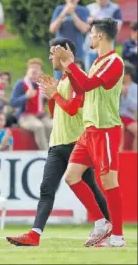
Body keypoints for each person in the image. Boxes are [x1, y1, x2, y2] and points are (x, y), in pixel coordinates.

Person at [6, 38, 110, 247]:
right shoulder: (63, 79)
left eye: (53, 53)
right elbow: (57, 113)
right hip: (58, 142)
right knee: (47, 188)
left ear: (65, 52)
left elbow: (72, 109)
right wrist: (52, 96)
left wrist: (55, 95)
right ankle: (35, 235)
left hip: (75, 142)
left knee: (89, 185)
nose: (50, 57)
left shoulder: (76, 78)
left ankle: (109, 228)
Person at [55, 18, 125, 247]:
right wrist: (68, 67)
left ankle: (117, 237)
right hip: (90, 128)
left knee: (109, 181)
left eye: (92, 33)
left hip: (105, 129)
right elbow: (80, 88)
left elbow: (86, 85)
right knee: (71, 177)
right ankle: (100, 223)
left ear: (101, 36)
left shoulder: (114, 62)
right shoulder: (97, 62)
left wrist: (71, 63)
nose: (90, 37)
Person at [10, 58, 52, 150]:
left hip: (41, 115)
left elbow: (53, 105)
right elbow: (13, 103)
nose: (34, 70)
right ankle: (46, 153)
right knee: (39, 127)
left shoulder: (44, 84)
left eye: (37, 68)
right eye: (32, 67)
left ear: (41, 72)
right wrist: (26, 96)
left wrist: (49, 98)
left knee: (51, 126)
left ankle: (55, 153)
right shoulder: (21, 84)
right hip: (25, 115)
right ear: (27, 70)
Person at [49, 0, 90, 78]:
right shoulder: (59, 9)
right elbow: (52, 29)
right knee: (60, 82)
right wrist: (63, 13)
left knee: (78, 80)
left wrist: (73, 13)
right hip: (60, 52)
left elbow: (84, 29)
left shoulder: (83, 10)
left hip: (77, 53)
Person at [84, 0, 123, 72]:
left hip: (107, 49)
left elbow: (117, 28)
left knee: (105, 74)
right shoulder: (88, 8)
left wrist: (96, 21)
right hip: (90, 47)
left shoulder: (115, 9)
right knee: (89, 73)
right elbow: (84, 27)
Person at [119, 62, 137, 151]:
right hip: (117, 117)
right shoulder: (116, 87)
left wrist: (126, 96)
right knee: (119, 129)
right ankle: (118, 156)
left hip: (129, 117)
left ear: (127, 75)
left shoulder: (135, 88)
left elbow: (135, 107)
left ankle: (134, 157)